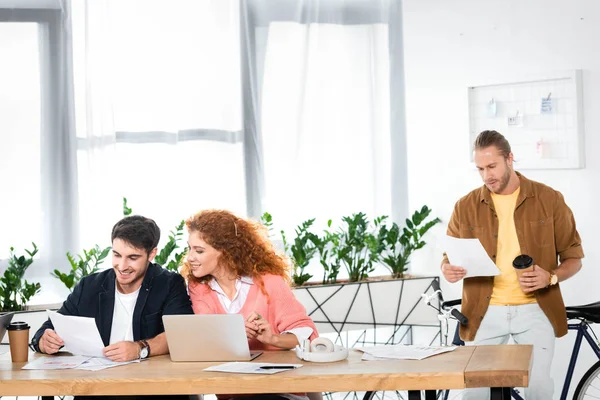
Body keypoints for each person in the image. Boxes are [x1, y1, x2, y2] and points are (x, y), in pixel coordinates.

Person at [441, 130, 584, 400]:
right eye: (480, 169)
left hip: (535, 310)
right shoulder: (465, 206)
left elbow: (574, 259)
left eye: (492, 166)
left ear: (510, 158)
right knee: (475, 394)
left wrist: (550, 277)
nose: (487, 176)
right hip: (485, 311)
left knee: (539, 390)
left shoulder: (549, 199)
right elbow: (449, 256)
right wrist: (448, 268)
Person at [32, 215, 194, 400]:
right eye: (117, 255)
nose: (122, 266)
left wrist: (140, 348)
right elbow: (51, 326)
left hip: (150, 390)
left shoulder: (169, 284)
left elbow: (179, 334)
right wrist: (44, 341)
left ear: (152, 254)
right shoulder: (89, 286)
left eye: (132, 257)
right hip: (97, 389)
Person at [181, 209, 319, 400]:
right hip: (234, 394)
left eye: (199, 250)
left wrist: (273, 339)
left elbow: (307, 333)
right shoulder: (199, 288)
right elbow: (208, 336)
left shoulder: (268, 281)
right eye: (189, 248)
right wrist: (233, 332)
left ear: (226, 252)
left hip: (280, 392)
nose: (190, 257)